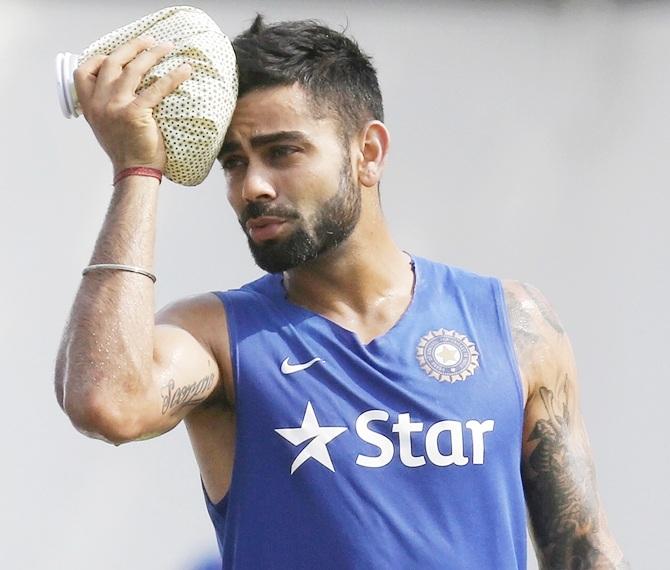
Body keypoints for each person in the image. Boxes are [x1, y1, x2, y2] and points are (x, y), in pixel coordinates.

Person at [55, 15, 628, 570]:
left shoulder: (513, 322)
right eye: (234, 162)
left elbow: (584, 554)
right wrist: (137, 171)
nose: (251, 186)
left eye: (282, 152)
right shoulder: (216, 338)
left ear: (369, 153)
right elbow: (108, 402)